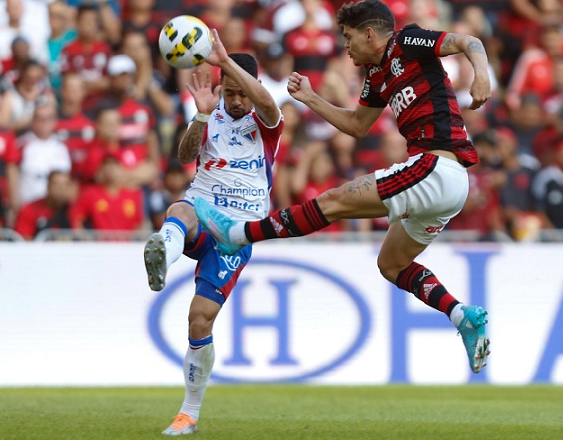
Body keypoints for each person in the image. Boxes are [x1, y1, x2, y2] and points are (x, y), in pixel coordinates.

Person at [195, 0, 491, 374]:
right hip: (447, 184)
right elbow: (356, 126)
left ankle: (237, 234)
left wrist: (481, 74)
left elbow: (469, 41)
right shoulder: (377, 75)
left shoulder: (409, 41)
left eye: (349, 37)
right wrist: (311, 99)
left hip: (436, 166)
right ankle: (462, 315)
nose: (346, 47)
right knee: (391, 264)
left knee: (333, 201)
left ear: (370, 33)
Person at [142, 30, 282, 435]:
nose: (235, 101)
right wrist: (202, 115)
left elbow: (269, 103)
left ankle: (188, 414)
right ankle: (162, 254)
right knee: (180, 208)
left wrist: (226, 62)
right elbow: (185, 156)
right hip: (202, 210)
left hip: (235, 233)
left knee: (199, 322)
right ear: (221, 89)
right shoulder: (211, 113)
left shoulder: (266, 122)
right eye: (229, 93)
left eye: (242, 93)